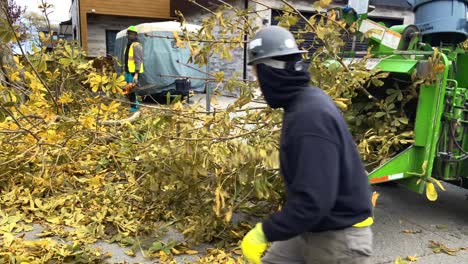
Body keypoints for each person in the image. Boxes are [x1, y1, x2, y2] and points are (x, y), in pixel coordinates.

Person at [241, 26, 374, 264]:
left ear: (271, 72)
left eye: (256, 74)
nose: (258, 85)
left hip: (340, 239)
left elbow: (314, 201)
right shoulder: (301, 102)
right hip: (312, 227)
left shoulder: (310, 117)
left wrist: (264, 232)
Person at [124, 25, 144, 113]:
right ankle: (135, 103)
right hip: (128, 71)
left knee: (132, 90)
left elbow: (138, 60)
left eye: (132, 34)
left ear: (136, 35)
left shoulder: (136, 45)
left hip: (134, 72)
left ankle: (134, 107)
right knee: (128, 89)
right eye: (129, 34)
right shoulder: (129, 45)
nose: (130, 36)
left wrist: (136, 74)